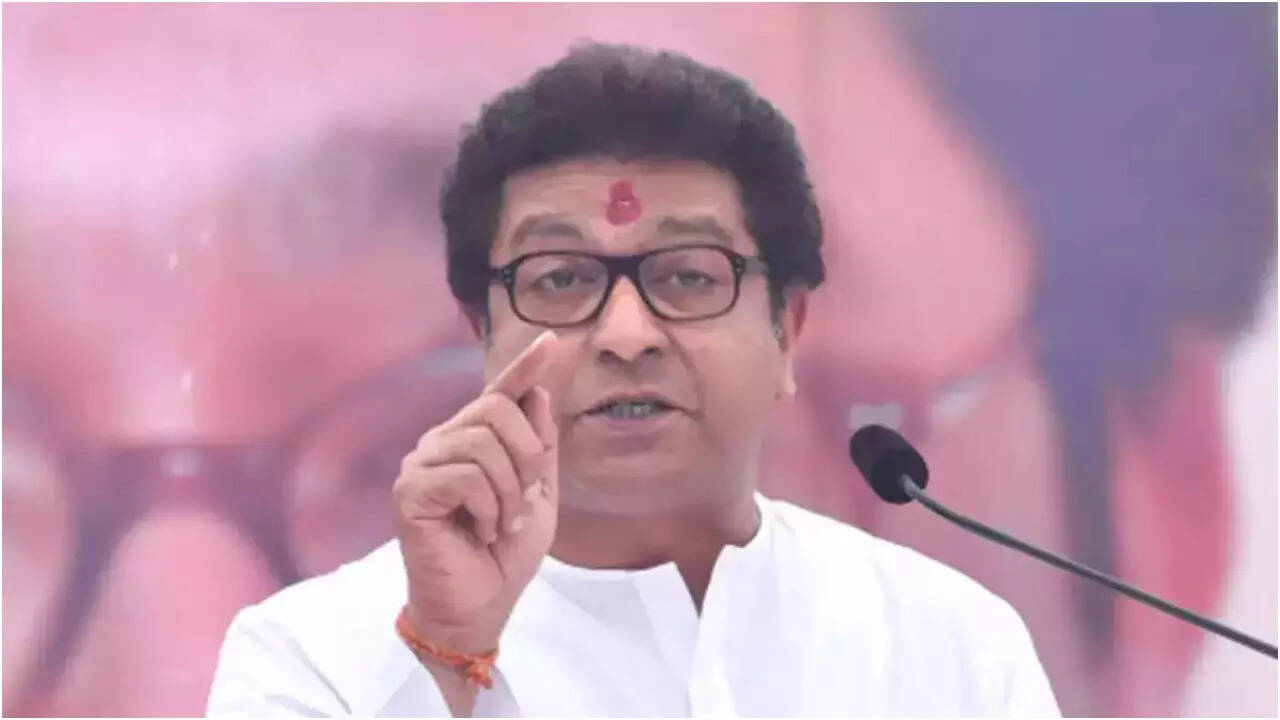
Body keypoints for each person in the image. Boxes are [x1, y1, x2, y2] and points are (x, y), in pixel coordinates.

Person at [206, 43, 1060, 717]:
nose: (626, 336)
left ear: (787, 333)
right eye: (561, 278)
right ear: (483, 337)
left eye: (688, 276)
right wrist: (445, 659)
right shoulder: (310, 656)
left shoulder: (947, 645)